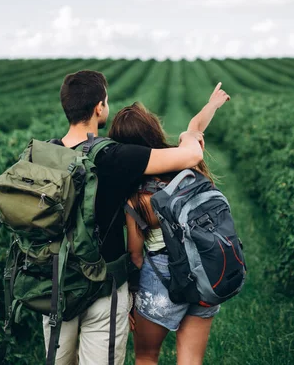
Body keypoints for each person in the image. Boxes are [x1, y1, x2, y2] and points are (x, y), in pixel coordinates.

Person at [42, 69, 229, 365]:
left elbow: (136, 252)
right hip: (172, 272)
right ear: (99, 107)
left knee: (130, 357)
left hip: (58, 278)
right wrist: (191, 130)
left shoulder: (47, 154)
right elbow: (191, 151)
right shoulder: (120, 157)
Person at [108, 84, 230, 365]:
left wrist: (131, 298)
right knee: (191, 361)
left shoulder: (136, 198)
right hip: (204, 269)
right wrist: (212, 104)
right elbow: (194, 129)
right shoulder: (189, 167)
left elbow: (136, 256)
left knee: (147, 357)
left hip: (160, 278)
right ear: (153, 132)